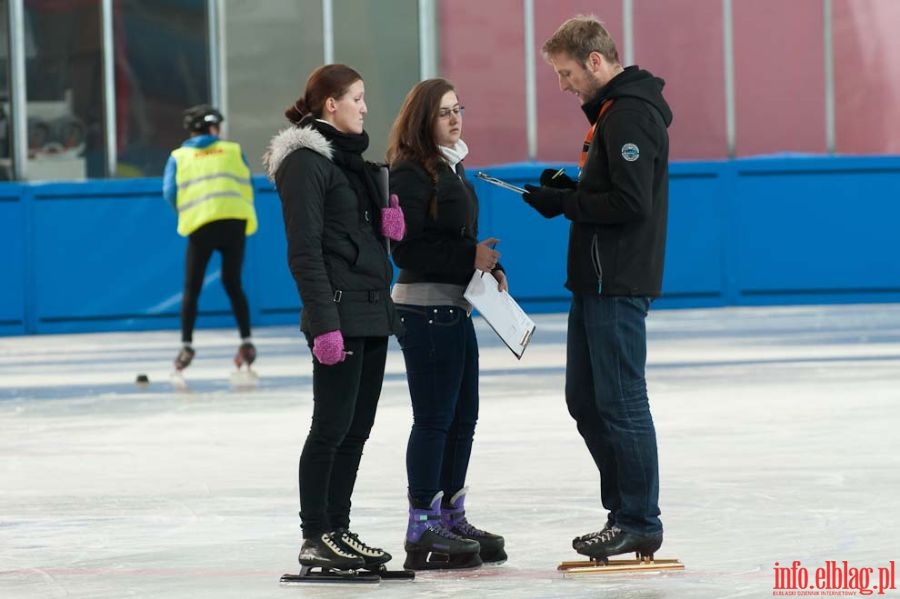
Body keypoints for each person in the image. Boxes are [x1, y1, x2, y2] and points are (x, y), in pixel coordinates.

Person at [520, 16, 673, 562]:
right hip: (594, 280)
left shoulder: (629, 113)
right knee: (585, 399)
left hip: (617, 280)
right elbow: (613, 190)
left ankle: (638, 518)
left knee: (621, 399)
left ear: (594, 61)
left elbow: (632, 204)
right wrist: (571, 188)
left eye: (565, 73)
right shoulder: (611, 112)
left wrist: (564, 204)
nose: (562, 85)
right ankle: (624, 513)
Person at [263, 64, 406, 575]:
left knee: (356, 429)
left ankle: (338, 529)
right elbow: (305, 253)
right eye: (358, 98)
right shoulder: (306, 163)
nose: (365, 107)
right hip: (339, 314)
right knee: (330, 427)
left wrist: (386, 225)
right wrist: (325, 325)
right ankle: (314, 534)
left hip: (370, 310)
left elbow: (355, 241)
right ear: (331, 104)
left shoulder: (353, 163)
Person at [387, 78, 507, 571]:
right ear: (423, 119)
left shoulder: (452, 167)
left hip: (454, 307)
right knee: (435, 418)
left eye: (459, 109)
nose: (455, 118)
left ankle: (452, 515)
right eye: (444, 112)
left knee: (463, 417)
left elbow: (457, 241)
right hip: (424, 309)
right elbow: (406, 249)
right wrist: (468, 256)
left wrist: (486, 268)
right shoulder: (410, 173)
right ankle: (422, 525)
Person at [163, 104, 258, 373]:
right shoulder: (233, 150)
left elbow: (169, 191)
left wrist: (189, 211)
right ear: (214, 128)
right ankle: (247, 341)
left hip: (201, 224)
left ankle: (186, 346)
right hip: (234, 222)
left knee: (191, 288)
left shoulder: (179, 156)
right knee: (233, 282)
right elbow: (247, 182)